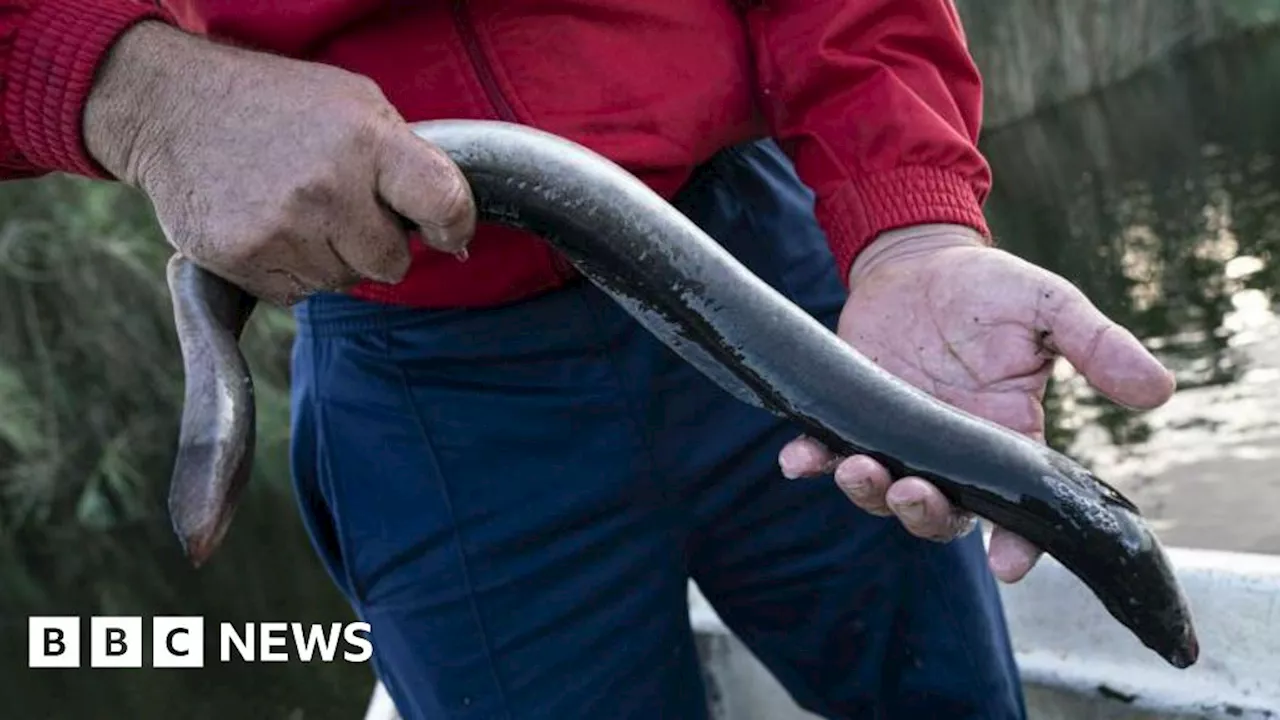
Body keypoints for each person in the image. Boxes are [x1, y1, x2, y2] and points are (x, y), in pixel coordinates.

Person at [0, 2, 1177, 718]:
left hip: (752, 264)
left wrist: (909, 222)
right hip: (419, 361)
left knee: (941, 698)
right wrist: (132, 87)